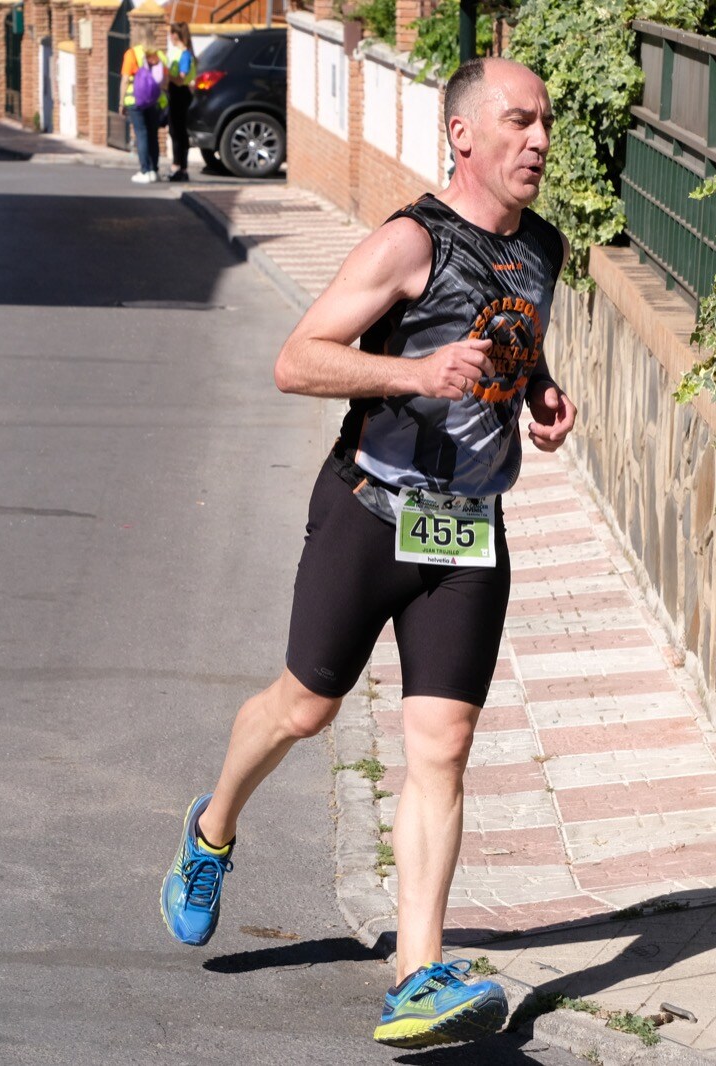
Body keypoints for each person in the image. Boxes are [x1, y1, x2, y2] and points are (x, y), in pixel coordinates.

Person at [159, 57, 577, 1050]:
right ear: (464, 136)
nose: (539, 140)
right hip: (369, 514)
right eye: (518, 121)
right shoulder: (409, 241)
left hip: (470, 529)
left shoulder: (544, 250)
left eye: (545, 123)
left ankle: (415, 974)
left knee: (441, 747)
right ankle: (211, 828)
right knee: (306, 707)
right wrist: (414, 369)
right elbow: (296, 358)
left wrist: (538, 393)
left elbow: (506, 341)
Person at [118, 37, 166, 184]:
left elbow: (126, 79)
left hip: (135, 100)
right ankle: (154, 170)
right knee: (153, 134)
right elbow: (165, 79)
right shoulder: (159, 55)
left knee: (141, 134)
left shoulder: (131, 54)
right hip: (153, 101)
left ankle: (144, 170)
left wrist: (121, 102)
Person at [165, 22, 196, 182]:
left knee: (177, 132)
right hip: (179, 94)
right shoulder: (182, 52)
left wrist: (166, 74)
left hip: (180, 94)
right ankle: (179, 166)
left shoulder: (184, 54)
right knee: (177, 132)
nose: (169, 37)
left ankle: (179, 167)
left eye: (171, 34)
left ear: (176, 35)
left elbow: (181, 78)